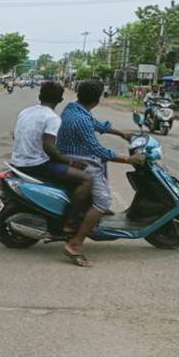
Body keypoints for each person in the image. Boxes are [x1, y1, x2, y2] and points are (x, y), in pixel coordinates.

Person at [57, 80, 146, 267]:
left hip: (71, 155)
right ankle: (75, 244)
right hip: (81, 160)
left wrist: (122, 134)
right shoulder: (81, 120)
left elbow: (96, 124)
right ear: (98, 99)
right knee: (104, 200)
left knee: (101, 174)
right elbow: (99, 151)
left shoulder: (73, 109)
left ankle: (88, 214)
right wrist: (129, 160)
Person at [10, 81, 93, 234]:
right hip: (36, 165)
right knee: (86, 179)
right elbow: (49, 147)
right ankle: (70, 222)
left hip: (17, 161)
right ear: (60, 100)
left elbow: (15, 135)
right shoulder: (52, 118)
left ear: (40, 95)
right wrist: (71, 161)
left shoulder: (26, 111)